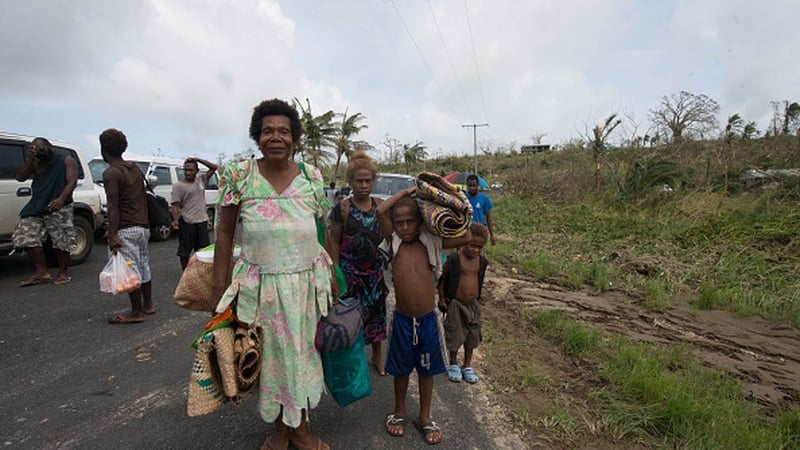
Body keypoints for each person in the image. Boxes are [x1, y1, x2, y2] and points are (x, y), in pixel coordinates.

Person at [212, 98, 334, 450]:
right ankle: (283, 430)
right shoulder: (239, 176)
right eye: (268, 131)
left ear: (294, 137)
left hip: (307, 285)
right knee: (268, 359)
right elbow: (224, 233)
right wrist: (219, 289)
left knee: (304, 357)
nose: (275, 137)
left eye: (283, 131)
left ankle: (301, 429)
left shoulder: (312, 177)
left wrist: (333, 278)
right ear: (257, 136)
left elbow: (322, 228)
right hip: (260, 288)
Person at [377, 186, 472, 446]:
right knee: (401, 369)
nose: (405, 227)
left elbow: (467, 235)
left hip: (428, 320)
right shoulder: (393, 241)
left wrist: (447, 204)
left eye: (410, 222)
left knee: (427, 371)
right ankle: (399, 412)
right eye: (400, 223)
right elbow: (381, 210)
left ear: (421, 222)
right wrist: (408, 192)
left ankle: (425, 416)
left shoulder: (432, 241)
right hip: (402, 320)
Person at [327, 150, 388, 376]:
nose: (364, 185)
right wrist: (335, 271)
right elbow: (334, 241)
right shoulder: (342, 208)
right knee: (351, 317)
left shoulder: (380, 206)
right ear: (350, 182)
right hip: (350, 273)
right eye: (359, 181)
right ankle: (355, 361)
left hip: (374, 273)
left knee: (377, 314)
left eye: (368, 181)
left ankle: (378, 356)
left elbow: (389, 236)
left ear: (374, 181)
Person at [100, 128, 155, 324]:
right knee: (143, 265)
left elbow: (113, 206)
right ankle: (148, 305)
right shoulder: (134, 168)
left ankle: (136, 312)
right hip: (143, 227)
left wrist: (112, 234)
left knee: (130, 270)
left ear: (103, 149)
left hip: (126, 228)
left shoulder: (111, 173)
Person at [13, 137, 79, 287]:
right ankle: (41, 272)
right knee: (24, 235)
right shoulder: (36, 162)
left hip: (59, 204)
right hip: (38, 204)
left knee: (61, 240)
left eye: (42, 148)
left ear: (50, 147)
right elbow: (20, 177)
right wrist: (30, 159)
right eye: (37, 149)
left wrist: (61, 199)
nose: (41, 152)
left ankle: (63, 273)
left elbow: (72, 181)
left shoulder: (65, 160)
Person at [437, 223, 489, 384]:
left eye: (479, 247)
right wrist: (442, 298)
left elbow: (478, 279)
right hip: (456, 304)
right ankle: (453, 363)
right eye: (472, 245)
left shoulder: (482, 262)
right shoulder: (454, 260)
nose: (476, 250)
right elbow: (442, 279)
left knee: (472, 335)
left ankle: (467, 365)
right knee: (454, 333)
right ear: (463, 242)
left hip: (473, 305)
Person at [170, 157, 217, 269]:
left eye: (191, 170)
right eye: (185, 170)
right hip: (187, 222)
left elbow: (214, 167)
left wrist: (198, 159)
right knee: (184, 252)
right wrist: (175, 220)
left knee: (203, 251)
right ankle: (186, 274)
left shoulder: (201, 181)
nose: (188, 173)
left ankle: (201, 272)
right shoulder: (179, 186)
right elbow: (175, 205)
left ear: (196, 171)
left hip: (201, 222)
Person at [465, 174, 496, 246]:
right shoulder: (463, 198)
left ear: (478, 185)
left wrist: (492, 235)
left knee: (480, 254)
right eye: (470, 186)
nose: (472, 188)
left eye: (474, 185)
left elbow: (488, 217)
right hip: (467, 232)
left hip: (480, 233)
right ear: (467, 185)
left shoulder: (484, 198)